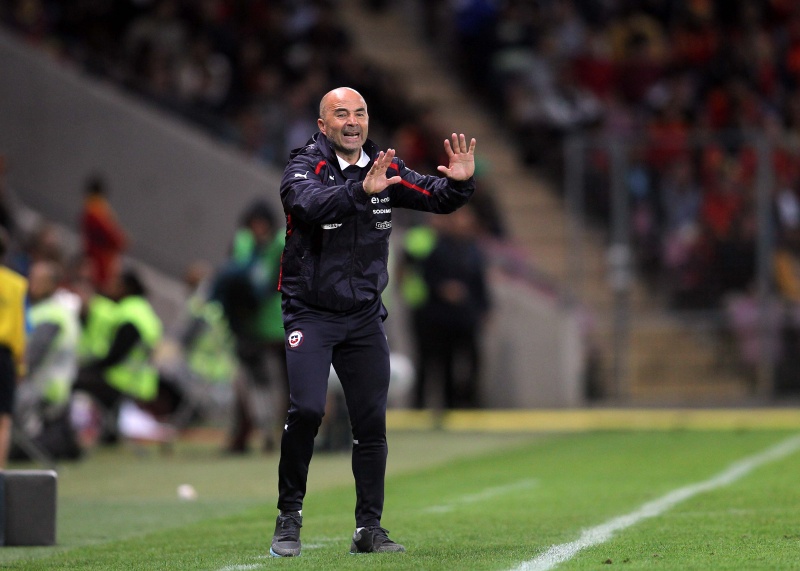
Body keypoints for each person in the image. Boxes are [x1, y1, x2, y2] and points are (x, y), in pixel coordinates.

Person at [269, 86, 476, 557]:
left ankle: (368, 529)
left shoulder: (384, 167)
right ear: (323, 126)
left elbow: (435, 195)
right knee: (305, 410)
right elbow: (308, 205)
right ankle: (289, 515)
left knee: (371, 424)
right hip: (311, 313)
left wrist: (461, 183)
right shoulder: (304, 167)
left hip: (363, 316)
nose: (352, 121)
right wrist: (359, 192)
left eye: (359, 112)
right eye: (340, 114)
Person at [401, 205, 491, 410]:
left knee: (468, 363)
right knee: (434, 363)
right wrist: (443, 289)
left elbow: (479, 282)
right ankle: (424, 407)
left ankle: (464, 405)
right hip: (437, 316)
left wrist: (484, 308)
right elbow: (424, 275)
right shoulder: (437, 247)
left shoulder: (473, 249)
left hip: (465, 316)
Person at [72, 268, 163, 443]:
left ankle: (74, 433)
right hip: (141, 380)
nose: (109, 286)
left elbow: (116, 356)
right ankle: (109, 431)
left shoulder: (129, 314)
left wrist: (88, 367)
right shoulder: (141, 309)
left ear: (125, 288)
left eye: (114, 283)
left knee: (75, 380)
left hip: (124, 380)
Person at [13, 260, 82, 461]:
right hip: (48, 385)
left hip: (42, 387)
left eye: (38, 280)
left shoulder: (51, 314)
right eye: (31, 278)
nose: (31, 284)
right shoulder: (51, 310)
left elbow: (33, 357)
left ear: (52, 284)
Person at [0, 228, 28, 468]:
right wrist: (20, 364)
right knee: (3, 420)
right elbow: (20, 328)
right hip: (4, 355)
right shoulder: (16, 284)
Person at [80, 174, 128, 295]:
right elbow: (113, 237)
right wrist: (122, 238)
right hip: (101, 259)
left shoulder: (92, 209)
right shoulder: (96, 211)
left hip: (98, 257)